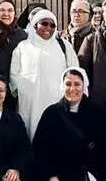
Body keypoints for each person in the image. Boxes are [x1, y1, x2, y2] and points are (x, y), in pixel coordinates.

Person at [26, 68, 106, 181]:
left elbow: (104, 148)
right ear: (62, 86)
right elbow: (41, 149)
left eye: (77, 84)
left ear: (84, 86)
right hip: (57, 172)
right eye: (68, 84)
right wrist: (51, 175)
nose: (72, 89)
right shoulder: (52, 113)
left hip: (85, 171)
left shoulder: (96, 112)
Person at [11, 9, 81, 140]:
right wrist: (24, 91)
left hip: (57, 102)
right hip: (30, 105)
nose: (48, 28)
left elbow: (75, 71)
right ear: (35, 25)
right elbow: (13, 76)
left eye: (52, 25)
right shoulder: (23, 47)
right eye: (44, 23)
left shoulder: (64, 46)